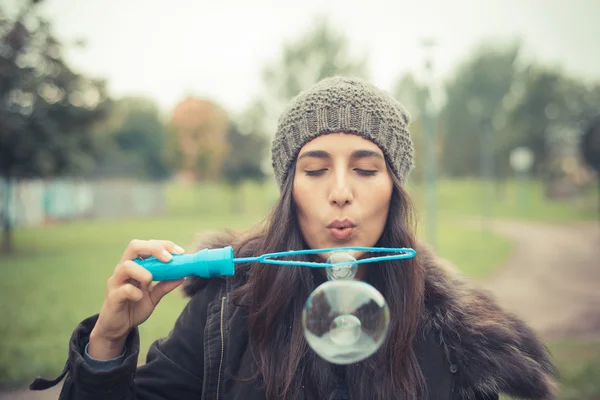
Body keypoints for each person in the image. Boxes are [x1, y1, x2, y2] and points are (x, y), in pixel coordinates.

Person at [30, 77, 558, 400]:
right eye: (315, 169)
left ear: (394, 190)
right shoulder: (225, 311)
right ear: (289, 189)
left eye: (367, 169)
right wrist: (106, 345)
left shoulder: (452, 332)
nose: (341, 192)